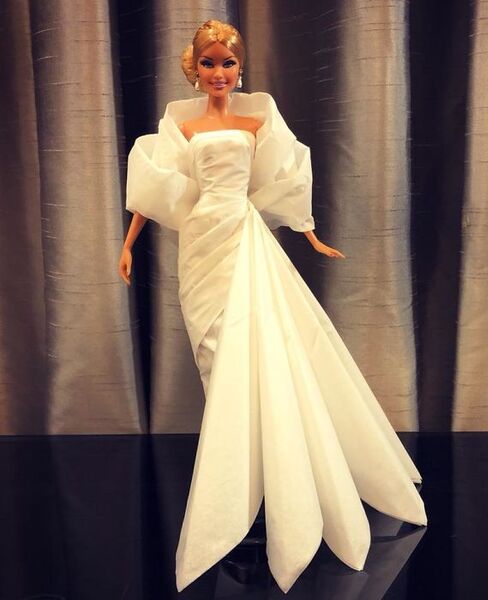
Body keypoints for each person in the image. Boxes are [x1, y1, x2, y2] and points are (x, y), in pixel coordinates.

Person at [118, 19, 427, 595]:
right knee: (214, 352)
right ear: (195, 68)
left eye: (227, 63)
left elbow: (285, 177)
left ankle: (265, 479)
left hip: (243, 236)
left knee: (256, 345)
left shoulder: (257, 122)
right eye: (209, 63)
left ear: (239, 68)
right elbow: (156, 186)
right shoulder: (180, 125)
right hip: (201, 244)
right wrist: (129, 243)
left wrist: (309, 234)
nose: (218, 73)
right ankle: (243, 472)